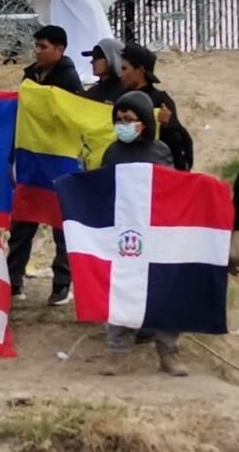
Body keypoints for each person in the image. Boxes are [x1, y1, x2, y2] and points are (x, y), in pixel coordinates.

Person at [98, 91, 187, 377]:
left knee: (165, 293)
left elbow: (172, 189)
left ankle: (168, 353)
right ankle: (117, 352)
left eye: (129, 119)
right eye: (118, 119)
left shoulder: (160, 151)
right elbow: (103, 189)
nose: (122, 124)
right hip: (124, 236)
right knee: (121, 291)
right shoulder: (112, 153)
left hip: (156, 234)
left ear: (145, 121)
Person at [7, 25, 80, 307]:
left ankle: (62, 284)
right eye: (36, 46)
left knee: (62, 226)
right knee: (22, 222)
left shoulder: (69, 80)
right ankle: (13, 280)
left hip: (59, 161)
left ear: (60, 49)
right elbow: (22, 118)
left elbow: (73, 117)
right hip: (31, 159)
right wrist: (13, 156)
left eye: (43, 47)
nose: (37, 51)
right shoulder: (30, 76)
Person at [119, 43, 192, 171]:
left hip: (153, 171)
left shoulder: (161, 101)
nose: (120, 74)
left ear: (140, 70)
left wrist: (167, 126)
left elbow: (177, 147)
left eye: (124, 69)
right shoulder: (119, 98)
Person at [82, 38, 125, 104]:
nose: (92, 62)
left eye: (96, 57)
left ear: (112, 58)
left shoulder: (126, 93)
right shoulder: (92, 92)